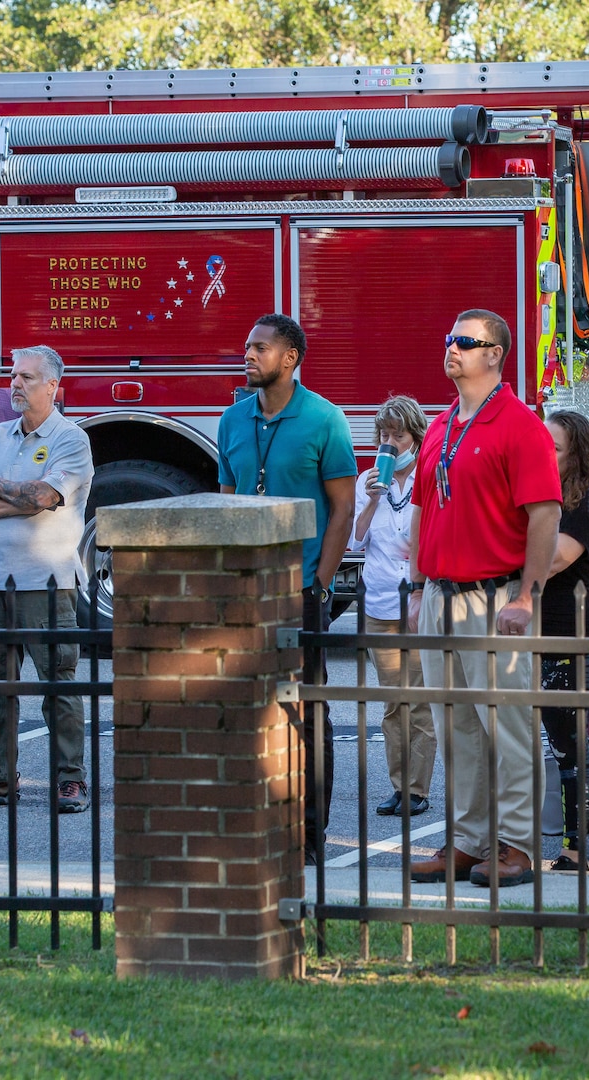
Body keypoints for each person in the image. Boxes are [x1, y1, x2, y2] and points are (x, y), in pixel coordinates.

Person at [406, 309, 561, 889]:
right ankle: (470, 841)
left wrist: (527, 595)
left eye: (466, 343)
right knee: (457, 727)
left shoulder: (520, 425)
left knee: (508, 726)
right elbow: (423, 507)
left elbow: (544, 515)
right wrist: (420, 586)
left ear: (496, 355)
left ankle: (517, 844)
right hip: (441, 595)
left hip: (494, 596)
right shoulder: (443, 423)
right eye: (450, 339)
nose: (453, 349)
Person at [218, 314, 356, 866]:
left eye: (260, 347)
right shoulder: (231, 420)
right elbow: (222, 505)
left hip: (300, 589)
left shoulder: (325, 420)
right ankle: (253, 825)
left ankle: (308, 834)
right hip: (242, 593)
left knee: (305, 714)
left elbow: (343, 508)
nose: (247, 354)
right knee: (245, 714)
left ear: (290, 357)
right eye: (247, 346)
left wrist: (320, 584)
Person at [0, 345, 95, 815]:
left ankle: (70, 779)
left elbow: (45, 496)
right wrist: (18, 498)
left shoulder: (71, 439)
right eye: (13, 376)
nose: (16, 384)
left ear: (53, 386)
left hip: (46, 583)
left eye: (27, 377)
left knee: (58, 685)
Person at [352, 395, 435, 818]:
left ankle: (417, 790)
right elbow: (355, 541)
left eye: (397, 435)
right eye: (383, 435)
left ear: (414, 437)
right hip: (380, 603)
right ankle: (398, 786)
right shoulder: (369, 480)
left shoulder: (429, 477)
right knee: (392, 702)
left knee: (418, 701)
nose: (390, 443)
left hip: (417, 603)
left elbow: (425, 539)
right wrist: (371, 499)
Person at [539, 409, 589, 873]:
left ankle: (575, 846)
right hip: (528, 632)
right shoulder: (536, 494)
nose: (545, 454)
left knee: (567, 744)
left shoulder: (586, 504)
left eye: (555, 448)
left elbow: (555, 560)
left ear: (576, 454)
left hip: (570, 632)